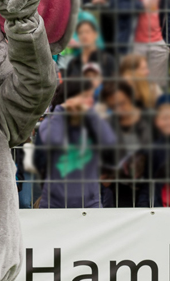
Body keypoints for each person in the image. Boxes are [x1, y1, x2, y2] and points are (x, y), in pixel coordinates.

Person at [34, 76, 116, 208]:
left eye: (91, 96)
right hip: (54, 204)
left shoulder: (93, 124)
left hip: (90, 205)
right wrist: (61, 110)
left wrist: (91, 114)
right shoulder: (50, 124)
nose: (90, 101)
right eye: (85, 96)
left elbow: (110, 142)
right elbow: (55, 141)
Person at [102, 80, 154, 207]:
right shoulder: (109, 125)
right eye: (113, 106)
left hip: (151, 187)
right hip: (120, 190)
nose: (119, 109)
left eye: (122, 103)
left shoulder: (150, 121)